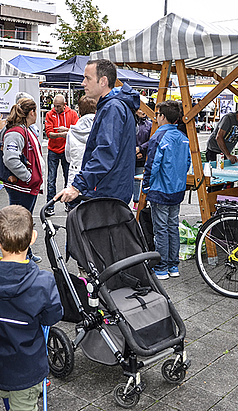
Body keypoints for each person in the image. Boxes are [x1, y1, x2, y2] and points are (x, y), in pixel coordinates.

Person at [0, 205, 63, 410]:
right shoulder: (42, 282)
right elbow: (53, 316)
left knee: (9, 393)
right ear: (33, 237)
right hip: (26, 366)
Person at [56, 59, 138, 205]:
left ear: (103, 81)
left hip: (108, 193)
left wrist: (77, 185)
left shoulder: (113, 108)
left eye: (87, 78)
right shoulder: (113, 106)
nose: (83, 83)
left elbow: (105, 153)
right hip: (111, 191)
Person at [142, 101, 191, 279]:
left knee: (161, 229)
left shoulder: (158, 137)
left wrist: (146, 185)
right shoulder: (183, 137)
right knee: (172, 227)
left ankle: (161, 267)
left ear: (162, 116)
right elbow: (187, 163)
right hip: (177, 189)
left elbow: (152, 165)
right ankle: (173, 266)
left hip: (160, 189)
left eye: (157, 114)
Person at [2, 96, 43, 263]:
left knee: (25, 222)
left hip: (27, 186)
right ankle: (18, 255)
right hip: (22, 187)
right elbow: (10, 158)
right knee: (20, 223)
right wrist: (28, 177)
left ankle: (25, 253)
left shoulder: (24, 130)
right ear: (31, 112)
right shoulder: (17, 132)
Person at [43, 94, 78, 216]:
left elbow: (76, 130)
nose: (56, 108)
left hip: (66, 150)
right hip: (53, 150)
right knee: (51, 179)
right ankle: (50, 205)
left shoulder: (72, 114)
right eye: (55, 106)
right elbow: (49, 133)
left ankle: (69, 203)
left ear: (65, 104)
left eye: (58, 106)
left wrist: (66, 131)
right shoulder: (49, 114)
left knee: (69, 178)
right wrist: (61, 134)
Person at [65, 95, 97, 186]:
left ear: (79, 112)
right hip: (93, 176)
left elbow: (68, 157)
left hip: (74, 174)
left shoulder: (72, 132)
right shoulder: (100, 129)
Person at [133, 107, 152, 210]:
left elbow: (151, 140)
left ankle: (138, 201)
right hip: (131, 156)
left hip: (142, 156)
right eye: (140, 109)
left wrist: (141, 149)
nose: (143, 111)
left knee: (139, 180)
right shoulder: (131, 123)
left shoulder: (149, 125)